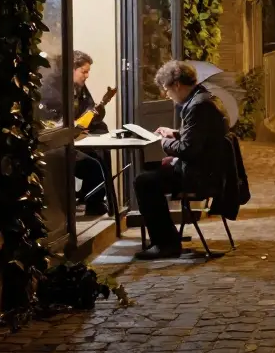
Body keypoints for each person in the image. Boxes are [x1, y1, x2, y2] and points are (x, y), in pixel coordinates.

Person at [133, 60, 229, 260]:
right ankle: (166, 238)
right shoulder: (205, 98)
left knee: (144, 182)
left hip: (199, 174)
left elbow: (189, 149)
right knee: (150, 174)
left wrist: (163, 142)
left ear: (177, 85)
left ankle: (165, 243)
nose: (167, 95)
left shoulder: (198, 106)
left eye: (167, 90)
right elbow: (200, 137)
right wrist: (176, 133)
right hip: (207, 167)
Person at [71, 51, 116, 216]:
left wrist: (97, 113)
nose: (87, 76)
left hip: (81, 138)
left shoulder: (80, 88)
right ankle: (91, 200)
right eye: (84, 71)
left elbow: (89, 110)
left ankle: (94, 201)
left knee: (102, 153)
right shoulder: (57, 90)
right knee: (94, 166)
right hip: (63, 144)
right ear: (71, 69)